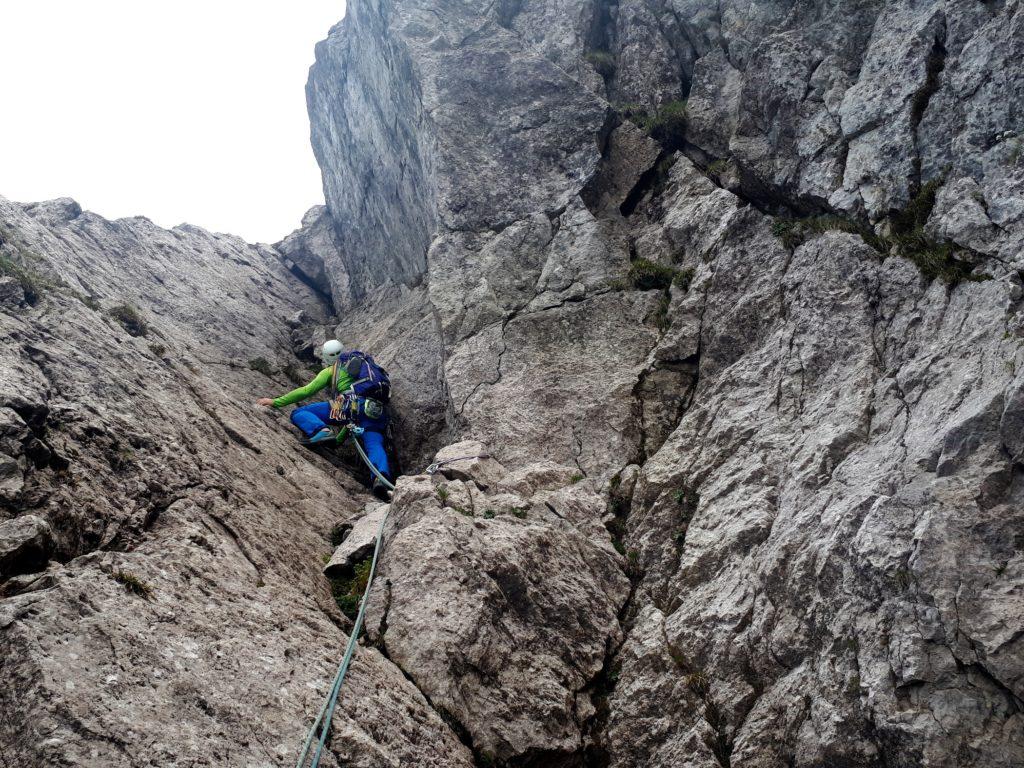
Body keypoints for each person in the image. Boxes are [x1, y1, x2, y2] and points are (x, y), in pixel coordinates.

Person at [257, 340, 393, 499]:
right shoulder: (365, 367)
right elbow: (350, 423)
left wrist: (276, 402)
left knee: (299, 413)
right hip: (375, 411)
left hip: (347, 406)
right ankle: (381, 480)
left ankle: (320, 430)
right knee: (374, 445)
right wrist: (338, 441)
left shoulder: (331, 370)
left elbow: (306, 391)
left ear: (326, 357)